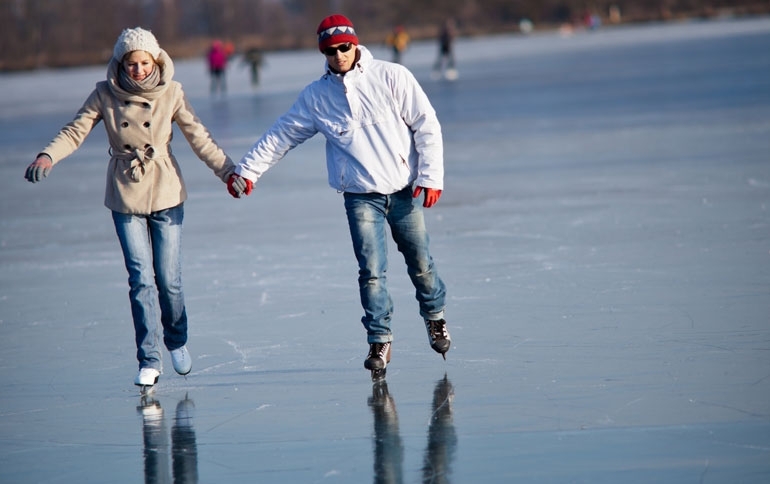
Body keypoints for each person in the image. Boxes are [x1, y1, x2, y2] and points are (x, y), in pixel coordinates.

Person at [228, 14, 451, 379]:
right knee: (371, 272)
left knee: (421, 262)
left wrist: (431, 176)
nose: (339, 55)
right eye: (330, 51)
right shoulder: (317, 97)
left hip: (404, 189)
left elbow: (426, 124)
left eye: (344, 47)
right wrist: (248, 170)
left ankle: (435, 316)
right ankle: (379, 339)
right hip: (359, 196)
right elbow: (282, 134)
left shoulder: (392, 76)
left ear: (355, 43)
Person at [23, 27, 242, 389]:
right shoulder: (104, 93)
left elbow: (199, 136)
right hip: (125, 191)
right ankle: (149, 359)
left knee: (168, 280)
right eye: (131, 63)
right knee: (140, 278)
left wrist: (228, 171)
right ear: (121, 63)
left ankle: (176, 339)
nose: (138, 70)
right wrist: (48, 155)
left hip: (166, 190)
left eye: (144, 63)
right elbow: (75, 130)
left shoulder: (171, 92)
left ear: (155, 61)